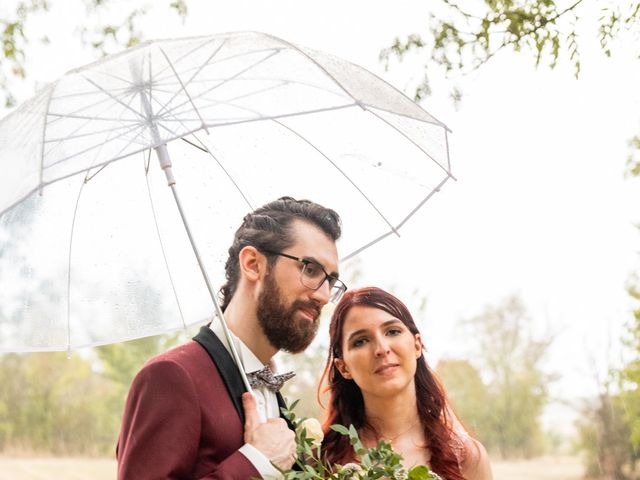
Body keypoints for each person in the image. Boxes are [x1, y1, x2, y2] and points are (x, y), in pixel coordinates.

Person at [117, 197, 345, 480]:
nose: (323, 296)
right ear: (252, 264)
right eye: (310, 269)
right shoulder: (170, 376)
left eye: (331, 281)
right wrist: (256, 463)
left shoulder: (271, 390)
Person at [320, 287, 493, 480]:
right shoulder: (319, 459)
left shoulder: (467, 457)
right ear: (343, 367)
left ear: (417, 345)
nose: (382, 349)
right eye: (361, 341)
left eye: (392, 332)